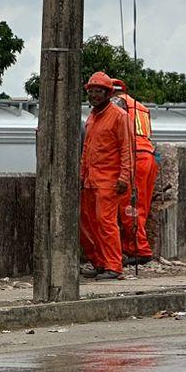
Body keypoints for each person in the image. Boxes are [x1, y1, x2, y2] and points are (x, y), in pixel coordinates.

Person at [79, 71, 134, 280]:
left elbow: (127, 149)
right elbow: (87, 149)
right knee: (92, 224)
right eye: (91, 91)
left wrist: (124, 178)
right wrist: (82, 176)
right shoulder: (92, 117)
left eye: (98, 91)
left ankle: (113, 265)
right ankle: (101, 263)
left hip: (109, 182)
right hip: (92, 181)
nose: (93, 95)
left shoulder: (120, 117)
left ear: (108, 94)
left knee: (107, 224)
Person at [112, 79, 157, 266]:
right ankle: (135, 247)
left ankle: (140, 250)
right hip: (149, 156)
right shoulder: (142, 108)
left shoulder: (117, 103)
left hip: (135, 157)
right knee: (141, 207)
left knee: (129, 206)